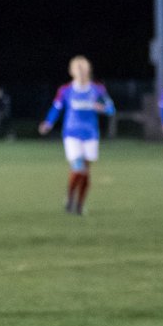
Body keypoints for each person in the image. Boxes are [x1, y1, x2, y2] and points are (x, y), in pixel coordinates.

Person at [38, 56, 115, 215]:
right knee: (78, 167)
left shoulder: (97, 89)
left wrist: (101, 108)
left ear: (88, 70)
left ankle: (79, 205)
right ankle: (70, 197)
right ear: (71, 71)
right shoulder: (65, 90)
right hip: (72, 133)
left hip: (91, 134)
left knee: (86, 172)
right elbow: (56, 108)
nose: (80, 71)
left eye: (83, 67)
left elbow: (111, 108)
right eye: (77, 68)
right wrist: (48, 123)